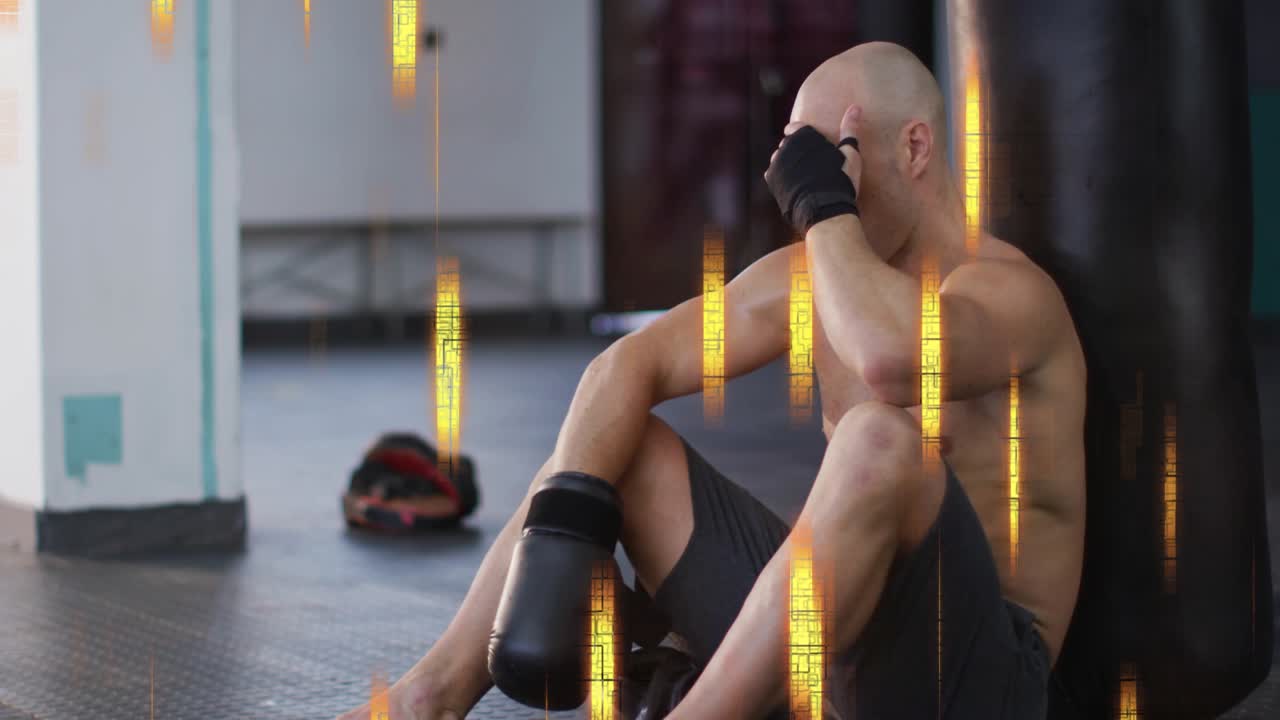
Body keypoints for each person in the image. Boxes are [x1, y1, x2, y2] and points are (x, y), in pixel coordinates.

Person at [336, 41, 1086, 720]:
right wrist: (561, 553)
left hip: (978, 682)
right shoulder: (812, 278)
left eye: (834, 161)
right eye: (803, 168)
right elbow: (631, 363)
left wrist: (826, 206)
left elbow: (891, 359)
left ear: (914, 147)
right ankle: (427, 699)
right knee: (616, 441)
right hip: (841, 666)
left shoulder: (1008, 296)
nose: (811, 190)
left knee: (880, 440)